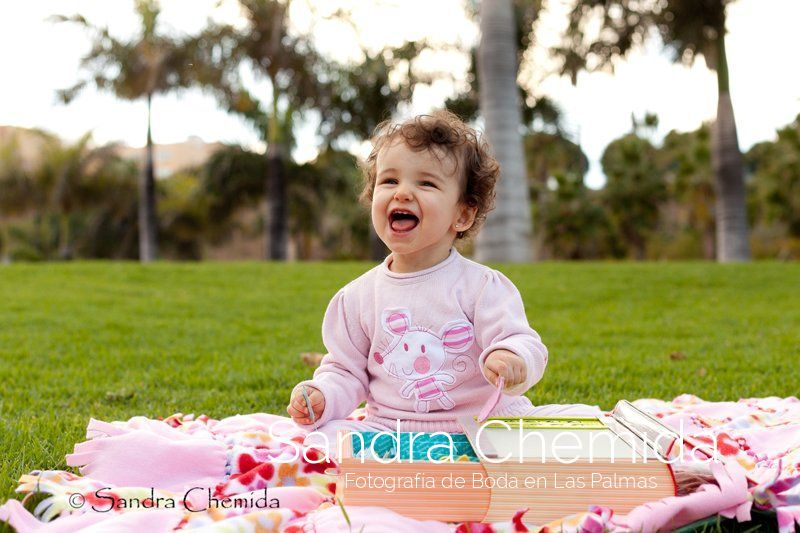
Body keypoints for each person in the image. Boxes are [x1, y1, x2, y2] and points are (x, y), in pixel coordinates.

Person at [287, 109, 599, 448]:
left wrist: (512, 357)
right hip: (393, 431)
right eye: (389, 181)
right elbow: (345, 373)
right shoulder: (356, 298)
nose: (402, 192)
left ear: (462, 214)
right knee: (325, 442)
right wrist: (322, 396)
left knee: (580, 426)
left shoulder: (482, 287)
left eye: (425, 183)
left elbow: (524, 342)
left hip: (486, 426)